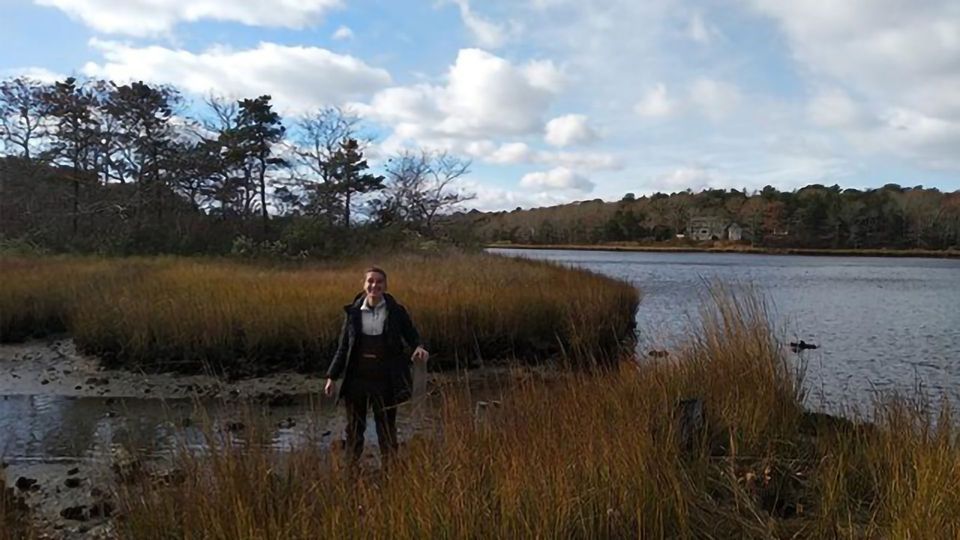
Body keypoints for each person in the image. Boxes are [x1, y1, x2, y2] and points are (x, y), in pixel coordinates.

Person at [323, 266, 429, 463]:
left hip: (386, 381)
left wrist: (419, 347)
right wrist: (332, 376)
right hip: (357, 380)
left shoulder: (396, 311)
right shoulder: (353, 313)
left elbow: (411, 334)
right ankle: (352, 474)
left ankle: (390, 473)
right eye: (370, 281)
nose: (374, 285)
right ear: (364, 285)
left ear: (385, 286)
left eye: (379, 281)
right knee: (354, 430)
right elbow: (343, 347)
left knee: (387, 429)